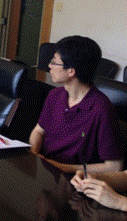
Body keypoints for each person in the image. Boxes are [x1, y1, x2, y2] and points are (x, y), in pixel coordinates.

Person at [29, 36, 123, 173]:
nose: (49, 66)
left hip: (74, 179)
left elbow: (114, 166)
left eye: (54, 62)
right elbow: (38, 131)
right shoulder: (55, 95)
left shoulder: (101, 109)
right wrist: (34, 155)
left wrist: (63, 168)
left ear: (71, 71)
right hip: (46, 171)